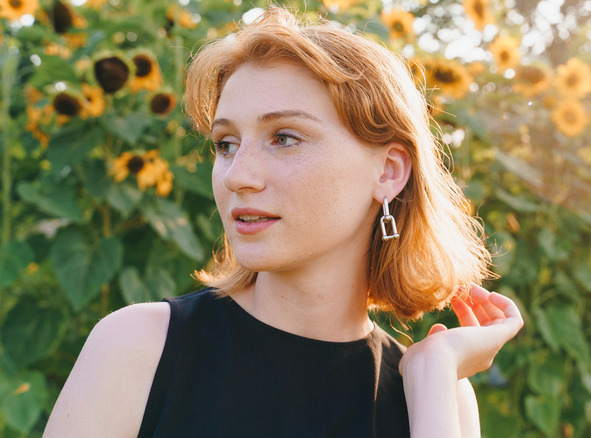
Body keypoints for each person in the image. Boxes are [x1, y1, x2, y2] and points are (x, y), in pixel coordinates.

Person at [44, 8, 523, 437]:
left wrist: (435, 371)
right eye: (226, 144)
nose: (237, 176)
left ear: (389, 171)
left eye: (285, 138)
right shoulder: (138, 349)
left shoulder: (437, 394)